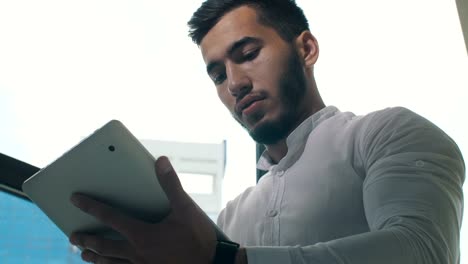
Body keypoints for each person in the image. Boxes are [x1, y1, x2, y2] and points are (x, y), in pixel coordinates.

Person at [68, 0, 466, 263]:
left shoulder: (386, 132)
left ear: (306, 49)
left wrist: (223, 260)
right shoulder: (231, 216)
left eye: (248, 55)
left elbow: (422, 252)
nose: (234, 83)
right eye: (218, 75)